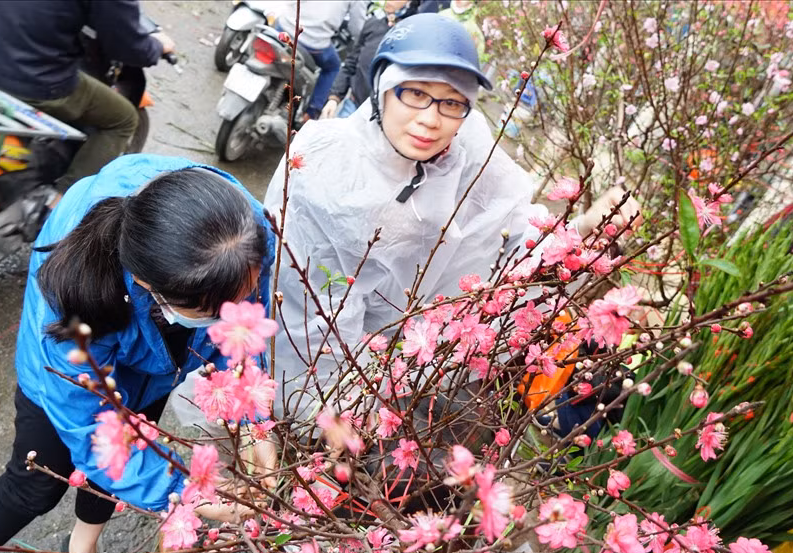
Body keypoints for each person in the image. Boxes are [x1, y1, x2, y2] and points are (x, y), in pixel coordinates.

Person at [263, 13, 641, 420]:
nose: (430, 118)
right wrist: (328, 407)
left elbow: (515, 233)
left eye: (451, 101)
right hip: (334, 376)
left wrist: (583, 230)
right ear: (382, 88)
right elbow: (308, 312)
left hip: (421, 371)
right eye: (414, 93)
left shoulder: (470, 148)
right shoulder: (328, 165)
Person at [0, 155, 276, 553]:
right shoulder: (76, 293)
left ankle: (83, 544)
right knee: (35, 484)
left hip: (157, 368)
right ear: (145, 284)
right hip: (64, 373)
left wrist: (254, 423)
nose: (233, 314)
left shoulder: (245, 234)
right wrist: (187, 494)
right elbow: (87, 425)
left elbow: (244, 332)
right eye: (216, 311)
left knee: (129, 452)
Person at [0, 0, 175, 192]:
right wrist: (156, 45)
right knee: (123, 119)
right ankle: (61, 206)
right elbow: (128, 46)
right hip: (30, 80)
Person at [320, 0, 418, 119]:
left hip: (383, 115)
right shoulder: (373, 23)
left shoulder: (413, 35)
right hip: (353, 105)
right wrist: (334, 98)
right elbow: (351, 62)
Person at [275, 0, 368, 119]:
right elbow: (356, 27)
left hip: (283, 27)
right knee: (333, 68)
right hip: (313, 42)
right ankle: (311, 113)